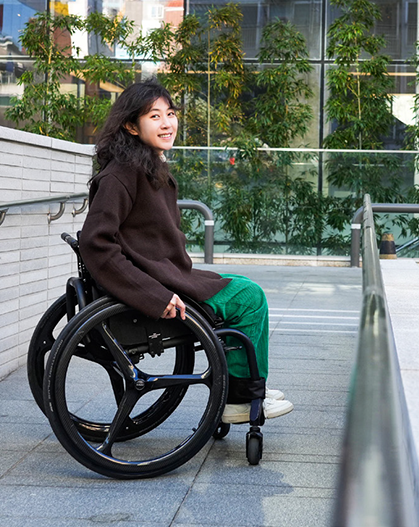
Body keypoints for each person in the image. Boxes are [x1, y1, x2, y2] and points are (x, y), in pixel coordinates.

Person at [78, 80, 293, 424]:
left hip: (167, 275)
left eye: (171, 114)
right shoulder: (123, 175)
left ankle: (247, 386)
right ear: (131, 126)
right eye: (154, 116)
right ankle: (240, 398)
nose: (167, 123)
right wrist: (155, 295)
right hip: (158, 284)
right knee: (250, 297)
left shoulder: (144, 167)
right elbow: (96, 243)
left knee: (236, 284)